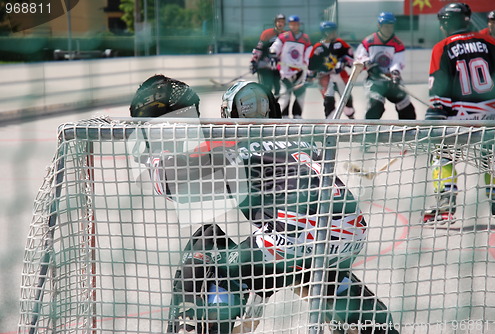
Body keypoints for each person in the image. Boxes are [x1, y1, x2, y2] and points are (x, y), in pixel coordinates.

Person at [129, 77, 400, 333]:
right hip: (350, 235)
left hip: (291, 237)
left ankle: (204, 324)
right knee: (310, 271)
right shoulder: (301, 136)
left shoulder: (232, 140)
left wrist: (152, 156)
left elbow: (170, 184)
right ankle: (363, 317)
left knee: (207, 242)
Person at [423, 3, 495, 227]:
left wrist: (433, 118)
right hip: (491, 116)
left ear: (447, 22)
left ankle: (446, 204)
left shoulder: (443, 47)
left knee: (441, 155)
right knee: (494, 159)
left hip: (459, 118)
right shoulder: (491, 43)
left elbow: (439, 94)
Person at [355, 12, 416, 120]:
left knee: (406, 108)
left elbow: (398, 61)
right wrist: (370, 65)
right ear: (379, 25)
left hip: (391, 81)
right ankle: (369, 133)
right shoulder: (369, 41)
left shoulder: (397, 43)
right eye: (386, 26)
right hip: (375, 81)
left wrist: (395, 74)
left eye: (391, 26)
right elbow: (360, 56)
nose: (389, 29)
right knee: (375, 107)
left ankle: (408, 132)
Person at [308, 21, 355, 119]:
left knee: (346, 99)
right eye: (330, 31)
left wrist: (343, 61)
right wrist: (310, 76)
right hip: (325, 79)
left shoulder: (340, 44)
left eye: (334, 31)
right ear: (325, 32)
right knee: (328, 100)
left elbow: (351, 57)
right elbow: (311, 65)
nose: (333, 33)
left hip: (340, 77)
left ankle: (350, 116)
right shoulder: (318, 48)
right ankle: (330, 123)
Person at [269, 15, 313, 119]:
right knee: (285, 95)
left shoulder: (305, 38)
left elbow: (309, 54)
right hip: (285, 71)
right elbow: (275, 48)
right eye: (292, 24)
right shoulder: (284, 37)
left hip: (299, 71)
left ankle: (297, 115)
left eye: (296, 24)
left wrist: (309, 68)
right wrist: (273, 54)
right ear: (289, 25)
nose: (294, 26)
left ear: (299, 25)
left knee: (300, 95)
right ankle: (283, 116)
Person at [250, 14, 287, 96]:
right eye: (278, 22)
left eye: (282, 22)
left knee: (278, 88)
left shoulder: (287, 35)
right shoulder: (267, 33)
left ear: (285, 24)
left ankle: (275, 106)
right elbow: (259, 48)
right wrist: (254, 61)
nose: (280, 24)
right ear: (275, 23)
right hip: (265, 65)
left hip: (278, 66)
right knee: (266, 88)